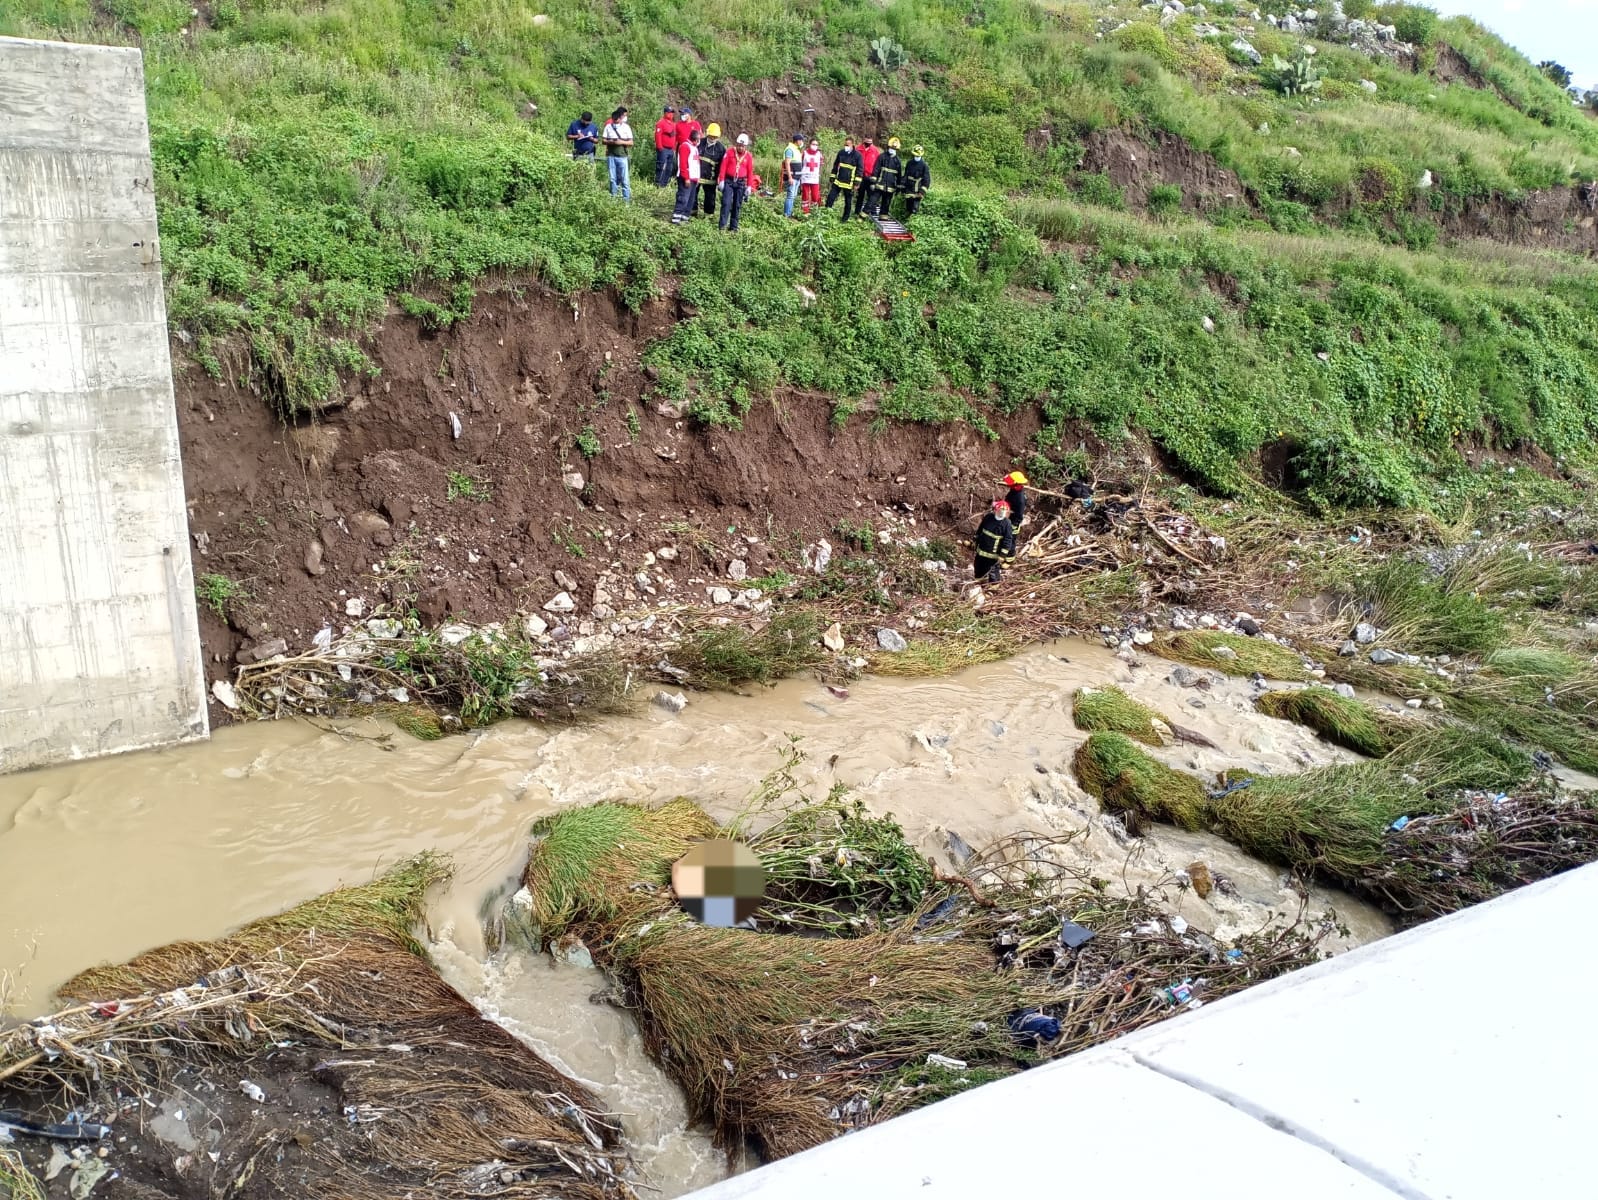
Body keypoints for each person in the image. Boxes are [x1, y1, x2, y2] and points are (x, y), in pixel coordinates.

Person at [718, 133, 756, 232]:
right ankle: (722, 226)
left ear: (746, 147)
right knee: (726, 203)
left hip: (740, 183)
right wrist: (721, 180)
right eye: (738, 145)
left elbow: (750, 172)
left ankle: (733, 227)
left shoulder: (748, 156)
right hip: (729, 181)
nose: (740, 148)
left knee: (737, 205)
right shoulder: (730, 152)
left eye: (742, 146)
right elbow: (723, 166)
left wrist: (749, 186)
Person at [973, 498, 1016, 582]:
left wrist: (1002, 555)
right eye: (1000, 510)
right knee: (978, 566)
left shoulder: (1006, 524)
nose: (1002, 512)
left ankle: (994, 588)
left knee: (993, 571)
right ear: (996, 509)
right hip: (981, 550)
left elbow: (1008, 540)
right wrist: (976, 538)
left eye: (1004, 511)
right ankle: (980, 582)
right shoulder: (988, 517)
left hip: (993, 554)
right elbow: (981, 529)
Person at [826, 136, 864, 221]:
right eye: (845, 144)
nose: (846, 146)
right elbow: (836, 165)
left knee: (848, 202)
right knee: (830, 197)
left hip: (849, 183)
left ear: (852, 145)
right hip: (838, 181)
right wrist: (832, 176)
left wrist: (857, 183)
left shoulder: (858, 156)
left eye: (848, 145)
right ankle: (826, 214)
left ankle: (845, 218)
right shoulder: (841, 152)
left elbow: (860, 170)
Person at [866, 137, 903, 220]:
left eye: (894, 148)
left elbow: (899, 175)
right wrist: (873, 183)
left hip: (890, 186)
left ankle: (883, 216)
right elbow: (876, 169)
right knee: (872, 200)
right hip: (879, 184)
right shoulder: (882, 157)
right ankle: (863, 215)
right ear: (888, 147)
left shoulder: (898, 161)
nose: (892, 149)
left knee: (886, 202)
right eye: (891, 148)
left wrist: (899, 187)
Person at [671, 128, 702, 224]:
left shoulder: (695, 148)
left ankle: (685, 217)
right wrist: (686, 178)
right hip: (686, 178)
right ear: (696, 140)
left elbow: (696, 164)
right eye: (699, 139)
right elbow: (683, 164)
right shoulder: (685, 146)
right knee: (683, 198)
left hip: (693, 178)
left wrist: (697, 178)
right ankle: (676, 217)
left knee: (691, 199)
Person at [603, 107, 634, 200]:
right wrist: (612, 142)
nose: (615, 123)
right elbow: (603, 140)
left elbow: (631, 142)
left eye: (617, 121)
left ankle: (626, 199)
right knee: (612, 178)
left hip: (622, 156)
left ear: (620, 119)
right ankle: (613, 198)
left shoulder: (626, 127)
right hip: (611, 156)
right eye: (614, 121)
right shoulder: (608, 127)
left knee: (625, 179)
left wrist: (621, 142)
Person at [698, 123, 727, 218]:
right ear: (707, 134)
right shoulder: (699, 143)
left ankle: (708, 216)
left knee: (710, 198)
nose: (713, 138)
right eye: (711, 136)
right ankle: (692, 212)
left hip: (711, 179)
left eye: (715, 136)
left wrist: (720, 179)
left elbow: (723, 165)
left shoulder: (721, 149)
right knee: (692, 195)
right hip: (697, 176)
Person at [900, 144, 931, 217]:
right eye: (915, 156)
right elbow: (906, 175)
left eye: (918, 156)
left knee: (915, 208)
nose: (916, 157)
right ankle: (907, 220)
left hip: (918, 190)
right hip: (909, 188)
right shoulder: (909, 163)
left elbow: (927, 180)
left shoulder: (924, 165)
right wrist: (902, 187)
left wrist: (922, 192)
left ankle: (913, 222)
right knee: (908, 207)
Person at [781, 133, 804, 218]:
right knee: (790, 196)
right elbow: (787, 163)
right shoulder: (790, 149)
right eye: (801, 140)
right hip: (792, 177)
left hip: (797, 177)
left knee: (793, 196)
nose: (802, 142)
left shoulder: (796, 149)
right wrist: (790, 177)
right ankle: (787, 214)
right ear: (797, 141)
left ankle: (789, 213)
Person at [653, 106, 678, 187]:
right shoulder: (661, 123)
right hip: (663, 148)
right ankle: (658, 183)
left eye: (672, 113)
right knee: (660, 167)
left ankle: (664, 184)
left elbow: (674, 137)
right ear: (665, 113)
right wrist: (660, 147)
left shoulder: (673, 124)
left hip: (670, 149)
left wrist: (674, 148)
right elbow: (658, 135)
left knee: (669, 168)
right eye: (669, 113)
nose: (671, 114)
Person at [799, 137, 824, 214]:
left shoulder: (819, 154)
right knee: (805, 195)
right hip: (805, 177)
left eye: (816, 144)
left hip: (815, 178)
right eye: (813, 144)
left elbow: (821, 165)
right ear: (809, 144)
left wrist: (818, 173)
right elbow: (800, 164)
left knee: (815, 195)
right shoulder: (804, 153)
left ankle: (813, 210)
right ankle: (805, 211)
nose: (815, 146)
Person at [858, 136, 881, 215]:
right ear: (864, 141)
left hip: (871, 176)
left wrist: (876, 175)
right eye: (867, 142)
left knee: (871, 194)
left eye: (870, 142)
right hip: (860, 175)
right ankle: (857, 211)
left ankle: (873, 211)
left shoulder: (875, 150)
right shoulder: (858, 149)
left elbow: (878, 164)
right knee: (860, 194)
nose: (869, 144)